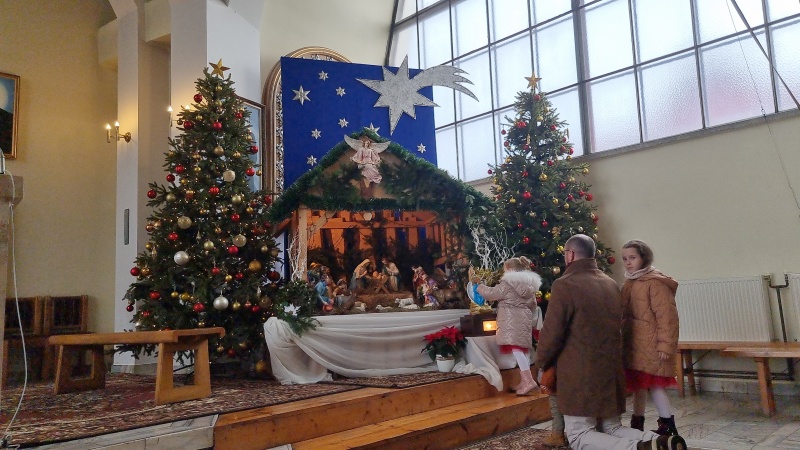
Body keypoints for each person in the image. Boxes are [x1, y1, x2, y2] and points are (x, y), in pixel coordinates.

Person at [536, 234, 687, 450]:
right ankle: (660, 441)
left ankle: (638, 448)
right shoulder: (611, 284)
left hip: (580, 374)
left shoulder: (564, 285)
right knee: (612, 427)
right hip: (610, 371)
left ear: (570, 255)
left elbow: (552, 333)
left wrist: (541, 363)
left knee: (579, 436)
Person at [621, 240, 680, 436]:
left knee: (655, 385)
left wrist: (665, 345)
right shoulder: (629, 284)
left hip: (651, 345)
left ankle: (668, 425)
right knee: (638, 385)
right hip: (634, 344)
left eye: (632, 258)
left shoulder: (655, 283)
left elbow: (667, 317)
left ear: (644, 258)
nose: (628, 263)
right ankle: (637, 423)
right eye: (625, 259)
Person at [473, 256, 542, 396]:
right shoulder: (529, 285)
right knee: (522, 350)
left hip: (511, 320)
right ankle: (525, 381)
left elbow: (491, 294)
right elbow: (533, 305)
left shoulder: (508, 283)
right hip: (524, 319)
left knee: (517, 350)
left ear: (509, 270)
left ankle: (529, 381)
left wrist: (478, 286)